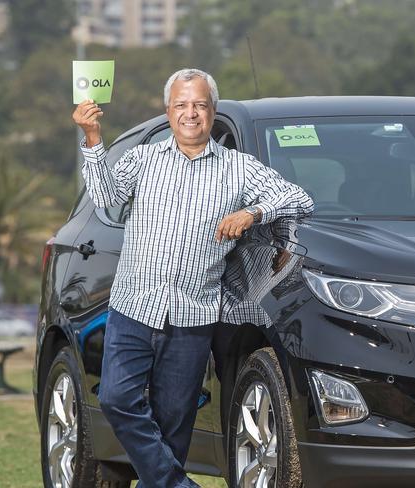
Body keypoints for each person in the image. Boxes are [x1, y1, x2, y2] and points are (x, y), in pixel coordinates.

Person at [71, 68, 314, 488]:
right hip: (134, 306)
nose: (191, 113)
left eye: (200, 105)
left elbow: (299, 198)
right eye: (181, 104)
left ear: (212, 111)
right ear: (168, 112)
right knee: (115, 397)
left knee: (174, 422)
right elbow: (108, 202)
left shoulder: (239, 169)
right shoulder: (142, 159)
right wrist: (93, 139)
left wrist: (251, 212)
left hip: (192, 314)